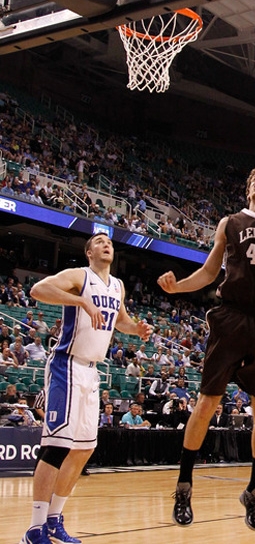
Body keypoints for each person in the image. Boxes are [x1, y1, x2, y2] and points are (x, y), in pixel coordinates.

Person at [158, 166, 255, 530]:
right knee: (207, 402)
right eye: (252, 177)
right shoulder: (229, 222)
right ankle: (184, 486)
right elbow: (209, 272)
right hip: (232, 316)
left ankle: (253, 492)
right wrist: (179, 287)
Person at [19, 232, 152, 544]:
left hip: (93, 372)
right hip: (67, 365)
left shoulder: (116, 285)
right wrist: (79, 299)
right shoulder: (80, 276)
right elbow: (38, 289)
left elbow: (122, 322)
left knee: (84, 449)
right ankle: (34, 528)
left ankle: (54, 520)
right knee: (56, 447)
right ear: (89, 251)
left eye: (110, 243)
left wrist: (136, 329)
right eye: (100, 241)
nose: (107, 245)